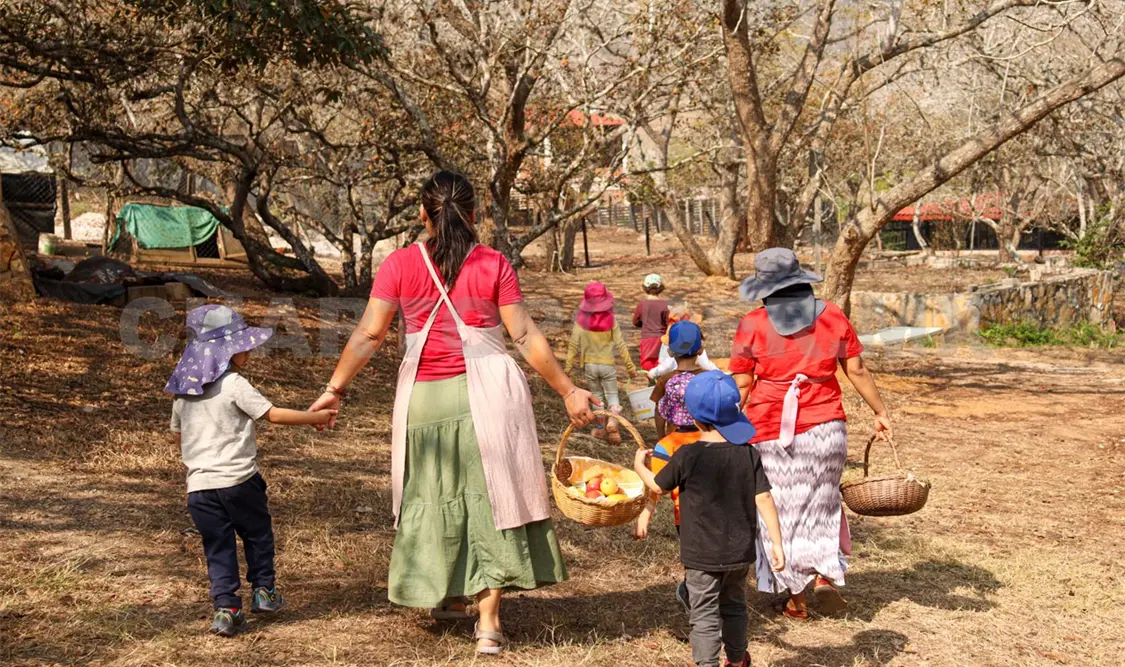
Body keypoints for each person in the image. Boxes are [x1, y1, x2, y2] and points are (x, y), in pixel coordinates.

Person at [308, 171, 596, 656]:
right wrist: (567, 390)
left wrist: (334, 388)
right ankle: (488, 624)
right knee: (493, 497)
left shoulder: (399, 264)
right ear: (475, 214)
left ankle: (444, 595)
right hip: (492, 395)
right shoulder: (493, 263)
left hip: (426, 397)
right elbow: (524, 335)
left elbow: (368, 335)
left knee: (433, 491)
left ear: (423, 214)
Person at [728, 248, 893, 620]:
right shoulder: (832, 315)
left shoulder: (752, 325)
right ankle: (824, 576)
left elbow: (741, 384)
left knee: (779, 511)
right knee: (822, 505)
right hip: (826, 427)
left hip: (770, 429)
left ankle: (796, 599)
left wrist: (719, 424)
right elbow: (858, 370)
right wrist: (880, 412)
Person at [167, 305, 337, 637]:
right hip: (240, 482)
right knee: (257, 534)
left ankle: (226, 610)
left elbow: (177, 434)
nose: (249, 349)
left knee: (218, 547)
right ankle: (264, 591)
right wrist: (317, 417)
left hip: (199, 489)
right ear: (226, 351)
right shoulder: (234, 384)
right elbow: (272, 415)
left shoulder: (184, 390)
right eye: (241, 344)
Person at [634, 371, 784, 667]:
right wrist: (777, 544)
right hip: (740, 553)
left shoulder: (688, 455)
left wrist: (639, 465)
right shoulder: (748, 453)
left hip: (701, 554)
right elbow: (764, 497)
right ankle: (738, 660)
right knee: (735, 605)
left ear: (695, 418)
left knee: (703, 613)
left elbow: (657, 487)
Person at [634, 320, 706, 611]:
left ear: (671, 353)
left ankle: (694, 592)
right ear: (701, 348)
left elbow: (658, 486)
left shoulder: (666, 383)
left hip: (684, 516)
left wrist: (662, 435)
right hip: (720, 513)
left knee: (692, 554)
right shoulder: (709, 380)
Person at [565, 281, 637, 444]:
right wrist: (630, 367)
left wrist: (568, 368)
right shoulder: (612, 321)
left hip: (590, 366)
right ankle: (613, 421)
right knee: (612, 395)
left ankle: (600, 427)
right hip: (607, 365)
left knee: (597, 397)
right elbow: (621, 345)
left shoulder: (580, 322)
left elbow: (573, 345)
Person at [647, 303, 720, 381]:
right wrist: (719, 373)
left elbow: (667, 366)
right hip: (692, 380)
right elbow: (705, 364)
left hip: (670, 380)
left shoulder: (669, 339)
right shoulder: (694, 338)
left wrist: (652, 373)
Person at [632, 273, 669, 372]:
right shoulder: (664, 305)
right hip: (661, 338)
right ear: (660, 288)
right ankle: (659, 381)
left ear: (645, 288)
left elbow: (635, 322)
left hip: (647, 338)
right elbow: (667, 322)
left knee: (647, 361)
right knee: (661, 361)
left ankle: (651, 382)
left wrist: (643, 324)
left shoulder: (642, 304)